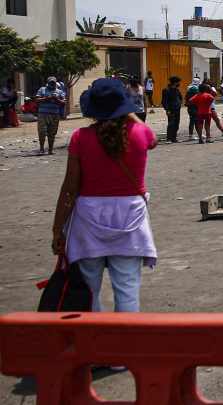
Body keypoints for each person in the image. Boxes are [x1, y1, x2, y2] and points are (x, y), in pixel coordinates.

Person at [51, 78, 157, 315]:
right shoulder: (140, 133)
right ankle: (126, 343)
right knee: (127, 288)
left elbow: (70, 189)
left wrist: (58, 228)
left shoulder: (81, 137)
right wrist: (129, 112)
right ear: (125, 106)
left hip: (89, 217)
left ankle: (93, 343)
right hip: (130, 215)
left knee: (88, 290)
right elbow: (154, 140)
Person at [35, 76, 66, 155]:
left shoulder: (60, 92)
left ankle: (50, 150)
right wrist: (46, 98)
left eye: (53, 83)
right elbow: (37, 100)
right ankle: (41, 149)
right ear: (47, 83)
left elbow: (64, 102)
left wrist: (57, 100)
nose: (52, 84)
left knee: (52, 133)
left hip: (54, 114)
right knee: (42, 131)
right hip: (43, 114)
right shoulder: (42, 90)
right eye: (50, 83)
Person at [160, 75, 183, 143]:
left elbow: (181, 97)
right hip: (171, 110)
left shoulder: (177, 90)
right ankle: (169, 139)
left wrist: (179, 104)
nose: (179, 84)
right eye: (178, 82)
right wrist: (167, 110)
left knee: (176, 124)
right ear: (175, 82)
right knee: (171, 124)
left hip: (177, 109)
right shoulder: (166, 90)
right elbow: (164, 101)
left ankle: (174, 138)